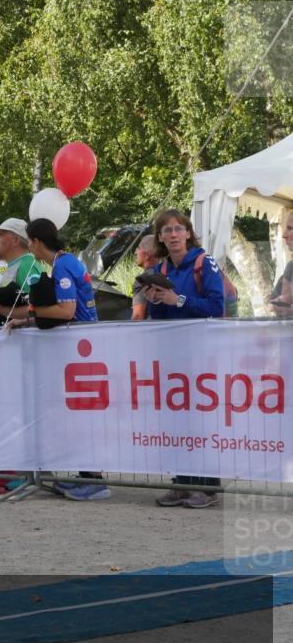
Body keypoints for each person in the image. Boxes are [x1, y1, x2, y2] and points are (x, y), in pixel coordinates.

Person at [9, 218, 107, 501]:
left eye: (29, 242)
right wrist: (29, 320)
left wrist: (31, 313)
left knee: (82, 414)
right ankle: (88, 476)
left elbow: (66, 311)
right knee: (79, 414)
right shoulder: (67, 261)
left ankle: (94, 480)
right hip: (83, 346)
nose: (29, 247)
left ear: (37, 242)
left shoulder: (63, 265)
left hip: (81, 348)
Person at [138, 209, 225, 509]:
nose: (173, 234)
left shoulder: (204, 262)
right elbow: (161, 316)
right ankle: (183, 482)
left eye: (178, 229)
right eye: (167, 230)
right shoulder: (162, 270)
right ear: (160, 237)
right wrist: (155, 300)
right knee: (176, 420)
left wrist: (179, 300)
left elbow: (216, 306)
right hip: (173, 357)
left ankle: (208, 487)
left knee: (201, 421)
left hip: (202, 355)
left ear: (188, 233)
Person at [0, 217, 43, 326]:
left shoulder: (26, 265)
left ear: (15, 240)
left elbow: (38, 308)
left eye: (1, 234)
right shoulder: (15, 264)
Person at [268, 212, 293, 318]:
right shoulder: (290, 267)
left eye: (290, 228)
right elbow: (272, 303)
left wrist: (290, 311)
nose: (284, 235)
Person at [131, 233, 158, 320]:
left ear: (147, 255)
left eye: (139, 248)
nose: (135, 252)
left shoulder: (143, 280)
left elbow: (138, 317)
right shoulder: (168, 273)